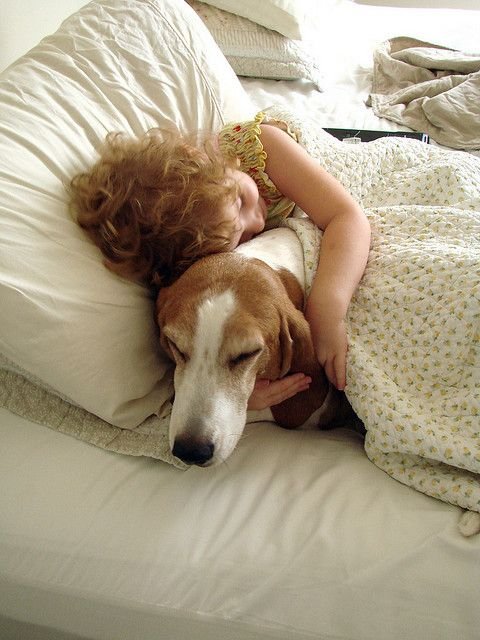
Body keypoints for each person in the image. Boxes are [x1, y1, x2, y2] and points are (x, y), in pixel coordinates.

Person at [70, 112, 371, 410]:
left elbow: (346, 217)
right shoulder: (204, 247)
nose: (257, 222)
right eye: (240, 241)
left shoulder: (263, 148)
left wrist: (327, 310)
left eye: (240, 201)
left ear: (203, 159)